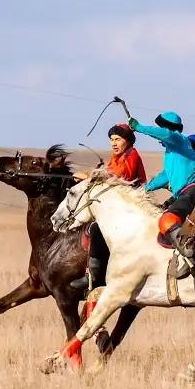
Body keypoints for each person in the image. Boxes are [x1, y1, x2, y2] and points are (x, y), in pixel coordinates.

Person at [70, 124, 147, 293]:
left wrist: (89, 176)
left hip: (131, 207)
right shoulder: (116, 156)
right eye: (112, 140)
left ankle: (94, 276)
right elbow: (110, 171)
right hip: (120, 205)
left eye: (118, 139)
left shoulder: (132, 155)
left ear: (127, 141)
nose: (114, 143)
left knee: (97, 228)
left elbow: (120, 177)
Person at [128, 111, 195, 260]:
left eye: (162, 129)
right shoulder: (173, 152)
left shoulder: (180, 140)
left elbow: (166, 134)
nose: (159, 139)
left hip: (194, 190)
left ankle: (193, 258)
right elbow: (164, 176)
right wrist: (142, 190)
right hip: (188, 192)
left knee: (166, 220)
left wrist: (139, 127)